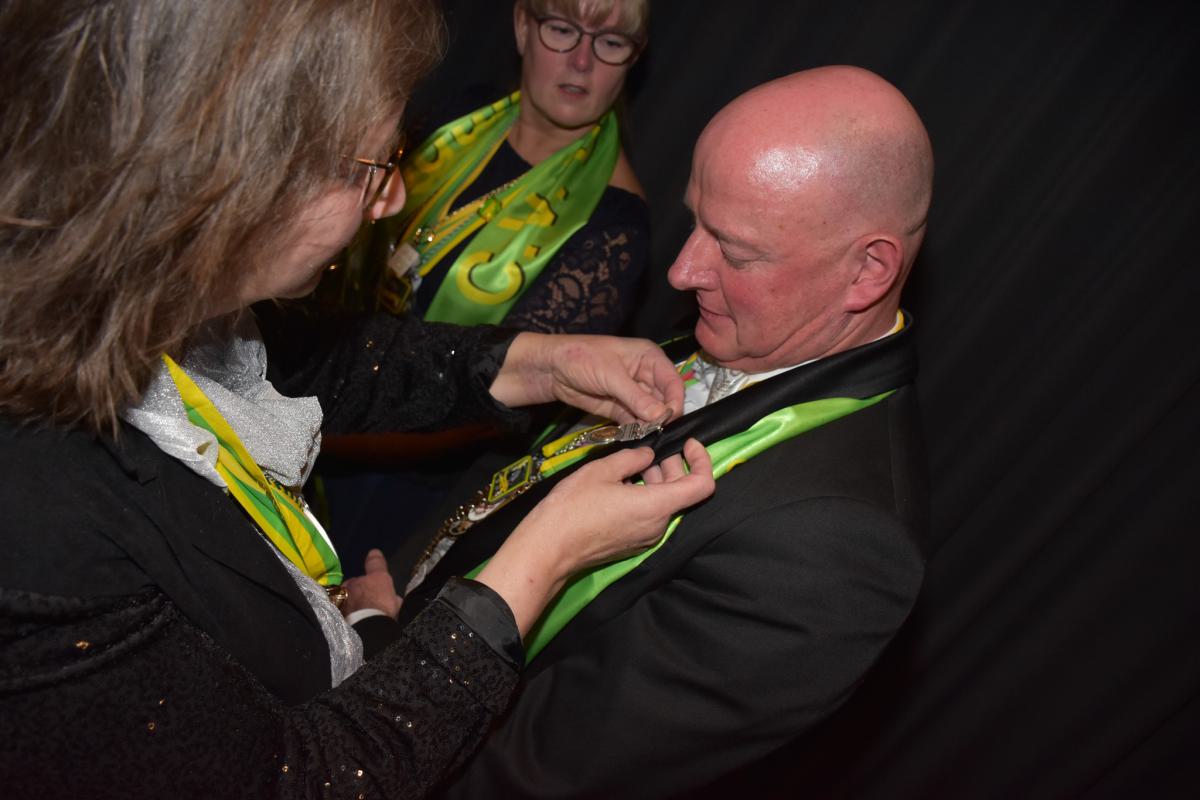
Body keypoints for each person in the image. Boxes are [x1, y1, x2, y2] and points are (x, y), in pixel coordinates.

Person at [0, 2, 713, 798]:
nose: (393, 200)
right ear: (229, 169)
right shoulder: (40, 517)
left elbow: (309, 363)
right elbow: (301, 780)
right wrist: (540, 559)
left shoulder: (162, 301)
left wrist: (548, 363)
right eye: (366, 169)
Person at [397, 65, 936, 797]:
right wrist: (398, 610)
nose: (682, 272)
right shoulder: (747, 330)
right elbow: (515, 486)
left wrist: (379, 676)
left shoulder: (842, 547)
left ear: (868, 270)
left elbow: (533, 775)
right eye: (695, 222)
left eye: (735, 252)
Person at [332, 0, 651, 334]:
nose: (582, 61)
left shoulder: (617, 226)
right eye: (562, 30)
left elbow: (507, 364)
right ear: (522, 28)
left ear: (633, 57)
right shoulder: (462, 112)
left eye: (611, 42)